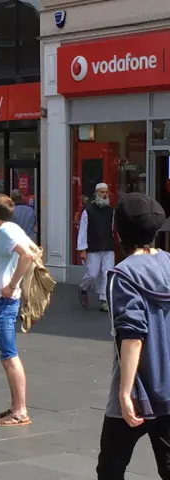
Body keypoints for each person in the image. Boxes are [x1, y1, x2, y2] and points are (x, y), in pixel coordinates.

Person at [96, 193, 169, 480]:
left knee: (111, 468)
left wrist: (125, 392)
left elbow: (132, 335)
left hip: (139, 390)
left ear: (118, 232)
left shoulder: (122, 275)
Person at [0, 194, 35, 427]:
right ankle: (16, 406)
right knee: (7, 356)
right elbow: (34, 249)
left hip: (3, 301)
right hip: (2, 301)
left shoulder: (5, 232)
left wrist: (12, 284)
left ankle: (20, 411)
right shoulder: (12, 229)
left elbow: (28, 254)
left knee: (9, 356)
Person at [77, 183, 114, 312]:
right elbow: (83, 230)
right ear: (96, 193)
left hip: (108, 246)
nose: (104, 194)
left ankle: (104, 300)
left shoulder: (110, 211)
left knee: (107, 273)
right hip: (93, 247)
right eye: (102, 192)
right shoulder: (88, 210)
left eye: (106, 192)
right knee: (92, 274)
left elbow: (113, 228)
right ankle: (83, 288)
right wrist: (82, 249)